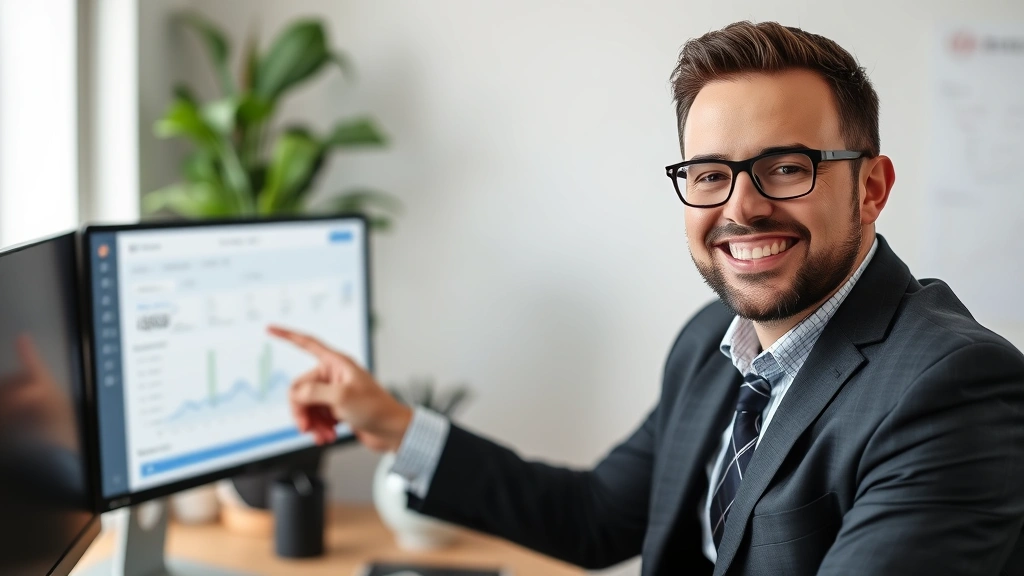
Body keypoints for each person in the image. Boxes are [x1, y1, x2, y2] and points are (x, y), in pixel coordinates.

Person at [269, 21, 1024, 576]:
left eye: (786, 168)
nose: (742, 207)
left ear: (871, 188)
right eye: (708, 174)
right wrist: (398, 427)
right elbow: (597, 516)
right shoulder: (713, 342)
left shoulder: (951, 387)